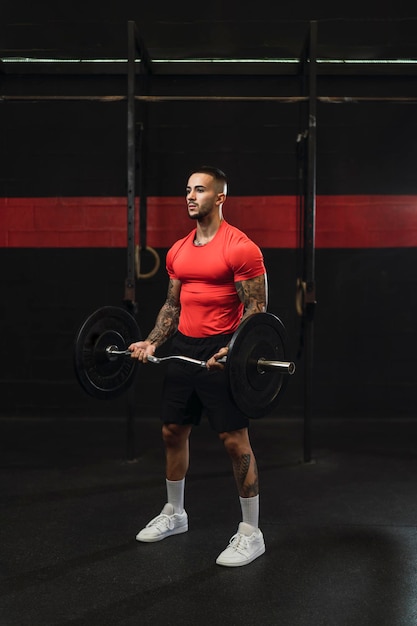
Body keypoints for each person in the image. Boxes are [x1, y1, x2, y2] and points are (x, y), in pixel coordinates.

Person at [129, 165, 267, 567]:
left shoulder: (240, 247)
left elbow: (257, 310)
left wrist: (233, 351)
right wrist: (152, 341)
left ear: (220, 197)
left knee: (234, 441)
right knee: (173, 431)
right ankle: (175, 514)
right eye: (188, 189)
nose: (190, 196)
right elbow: (172, 306)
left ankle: (251, 532)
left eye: (200, 190)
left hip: (222, 352)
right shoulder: (178, 250)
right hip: (184, 347)